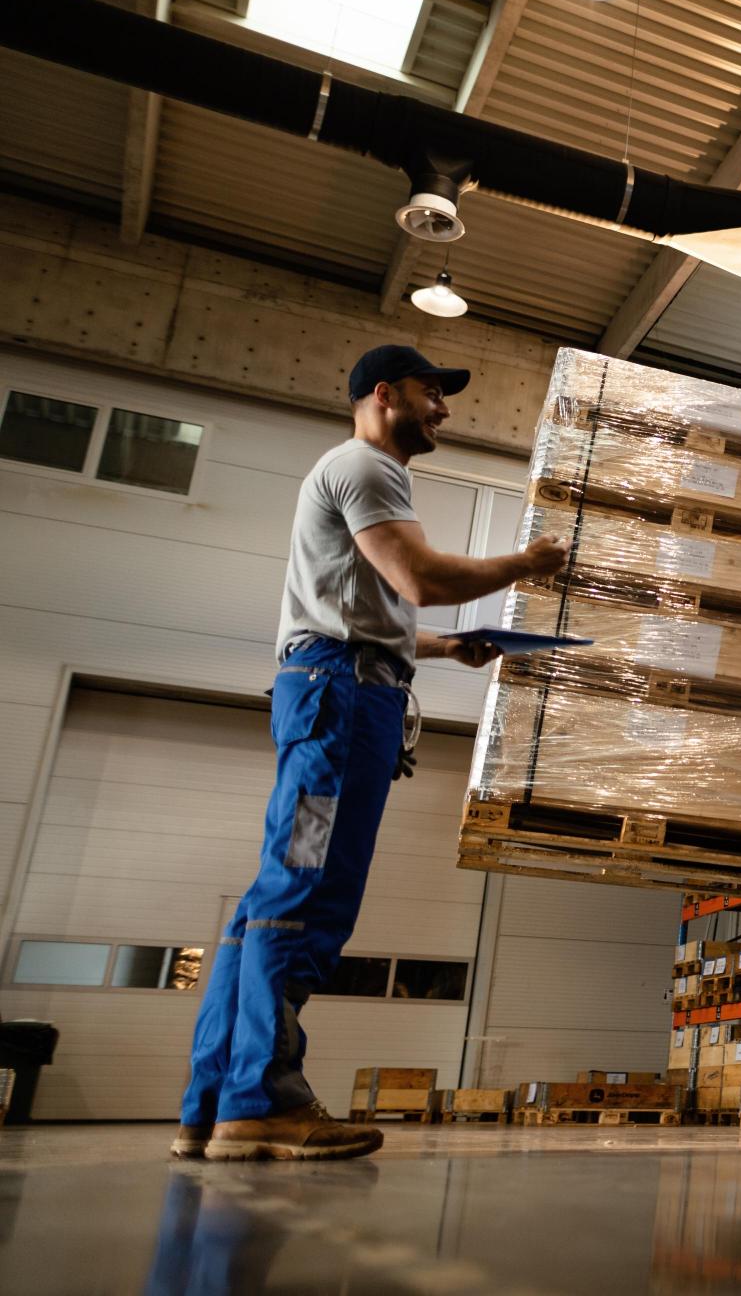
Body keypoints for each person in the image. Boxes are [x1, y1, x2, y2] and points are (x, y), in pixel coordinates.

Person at [174, 345, 568, 1162]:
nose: (444, 411)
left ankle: (214, 1104)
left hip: (338, 690)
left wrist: (442, 648)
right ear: (383, 394)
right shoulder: (368, 467)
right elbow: (418, 575)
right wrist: (524, 565)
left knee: (268, 902)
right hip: (340, 708)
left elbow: (363, 607)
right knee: (306, 889)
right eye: (433, 393)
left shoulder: (351, 474)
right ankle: (263, 1100)